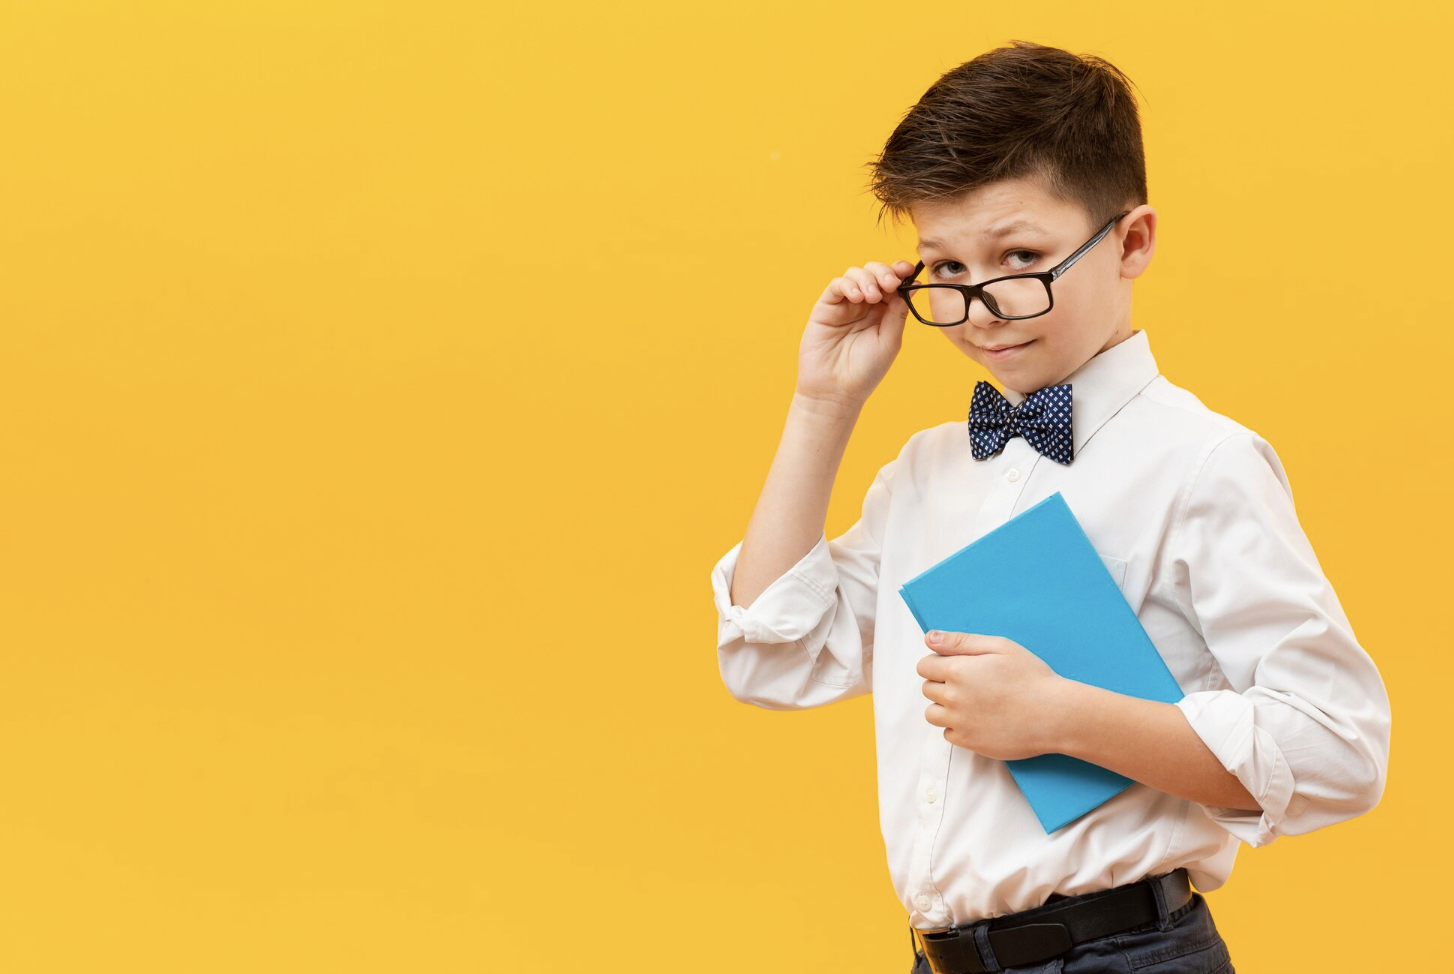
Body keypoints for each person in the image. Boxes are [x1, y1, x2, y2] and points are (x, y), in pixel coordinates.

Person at [708, 40, 1391, 974]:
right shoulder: (928, 473)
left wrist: (1061, 715)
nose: (981, 307)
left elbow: (1339, 748)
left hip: (1124, 953)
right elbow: (771, 655)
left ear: (1132, 241)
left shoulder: (1201, 464)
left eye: (1020, 256)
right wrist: (823, 404)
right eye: (943, 269)